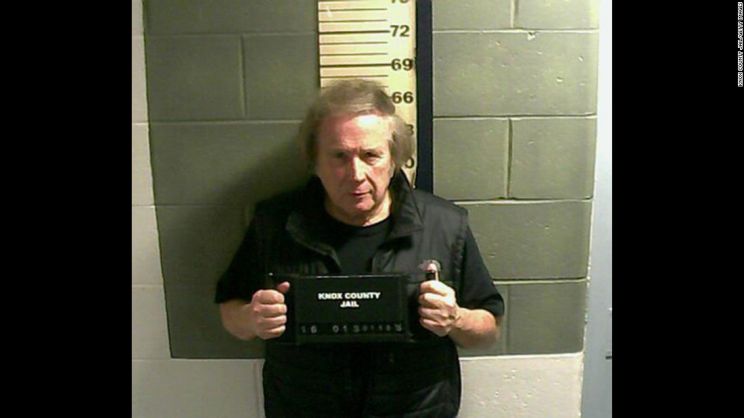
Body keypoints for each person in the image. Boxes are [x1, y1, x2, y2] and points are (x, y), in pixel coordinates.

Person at [215, 79, 504, 418]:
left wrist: (455, 318)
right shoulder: (274, 223)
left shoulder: (445, 225)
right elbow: (230, 310)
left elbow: (488, 329)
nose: (355, 174)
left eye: (370, 155)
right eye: (339, 156)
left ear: (394, 159)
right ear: (315, 161)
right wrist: (252, 320)